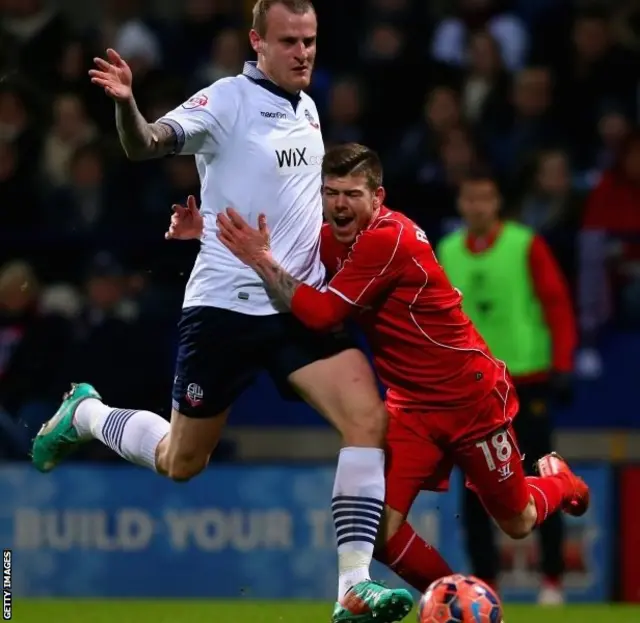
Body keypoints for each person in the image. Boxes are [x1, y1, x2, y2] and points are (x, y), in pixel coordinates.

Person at [30, 3, 413, 622]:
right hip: (224, 310)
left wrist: (206, 222)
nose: (304, 52)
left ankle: (352, 585)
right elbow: (147, 144)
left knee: (368, 420)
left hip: (293, 301)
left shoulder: (308, 109)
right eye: (289, 41)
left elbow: (271, 204)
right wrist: (128, 104)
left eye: (311, 40)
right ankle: (89, 412)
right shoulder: (227, 100)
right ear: (257, 42)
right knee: (183, 462)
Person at [167, 142, 590, 594]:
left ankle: (561, 483)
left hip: (470, 399)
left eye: (352, 194)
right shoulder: (328, 237)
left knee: (518, 520)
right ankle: (456, 599)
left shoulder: (389, 238)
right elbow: (281, 252)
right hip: (411, 407)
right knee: (379, 533)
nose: (340, 205)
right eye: (331, 193)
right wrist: (209, 233)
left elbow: (322, 314)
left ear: (378, 198)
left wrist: (261, 258)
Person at [437, 171, 577, 603]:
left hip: (525, 381)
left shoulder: (525, 244)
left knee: (538, 475)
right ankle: (486, 583)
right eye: (470, 198)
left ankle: (551, 579)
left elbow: (556, 303)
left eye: (485, 198)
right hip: (471, 388)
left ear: (497, 203)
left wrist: (564, 363)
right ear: (461, 204)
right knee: (476, 488)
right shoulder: (445, 250)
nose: (478, 206)